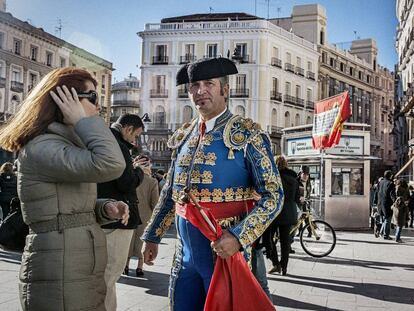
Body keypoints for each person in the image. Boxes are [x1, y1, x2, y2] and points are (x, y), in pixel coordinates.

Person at [141, 57, 284, 310]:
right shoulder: (184, 136)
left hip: (223, 249)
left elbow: (273, 196)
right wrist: (152, 235)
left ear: (225, 90)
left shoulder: (248, 134)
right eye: (195, 85)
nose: (200, 91)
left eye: (209, 83)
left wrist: (239, 237)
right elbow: (170, 193)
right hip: (184, 254)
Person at [0, 67, 129, 310]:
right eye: (91, 98)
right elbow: (112, 164)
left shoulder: (62, 144)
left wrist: (104, 208)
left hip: (74, 259)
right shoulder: (44, 147)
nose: (98, 107)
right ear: (64, 100)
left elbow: (63, 204)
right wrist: (83, 122)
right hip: (61, 264)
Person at [97, 113, 145, 311]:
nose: (135, 140)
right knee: (110, 275)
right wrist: (140, 173)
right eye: (136, 135)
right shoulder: (119, 146)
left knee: (105, 275)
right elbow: (125, 182)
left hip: (106, 214)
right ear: (127, 129)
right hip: (118, 218)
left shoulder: (105, 140)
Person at [264, 155, 300, 276]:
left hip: (276, 212)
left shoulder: (274, 178)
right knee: (285, 242)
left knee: (268, 239)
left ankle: (276, 263)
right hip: (290, 213)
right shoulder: (294, 179)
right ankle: (284, 267)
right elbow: (297, 198)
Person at [125, 156, 159, 277]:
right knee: (141, 241)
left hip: (129, 213)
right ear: (148, 166)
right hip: (146, 216)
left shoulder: (131, 179)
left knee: (128, 240)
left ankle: (126, 265)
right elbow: (155, 203)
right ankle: (139, 267)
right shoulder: (152, 181)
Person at [377, 170, 395, 240]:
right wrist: (395, 202)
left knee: (385, 219)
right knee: (388, 220)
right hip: (387, 204)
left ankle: (381, 233)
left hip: (380, 203)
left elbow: (378, 192)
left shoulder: (380, 182)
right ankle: (386, 235)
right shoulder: (390, 183)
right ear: (390, 176)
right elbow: (392, 195)